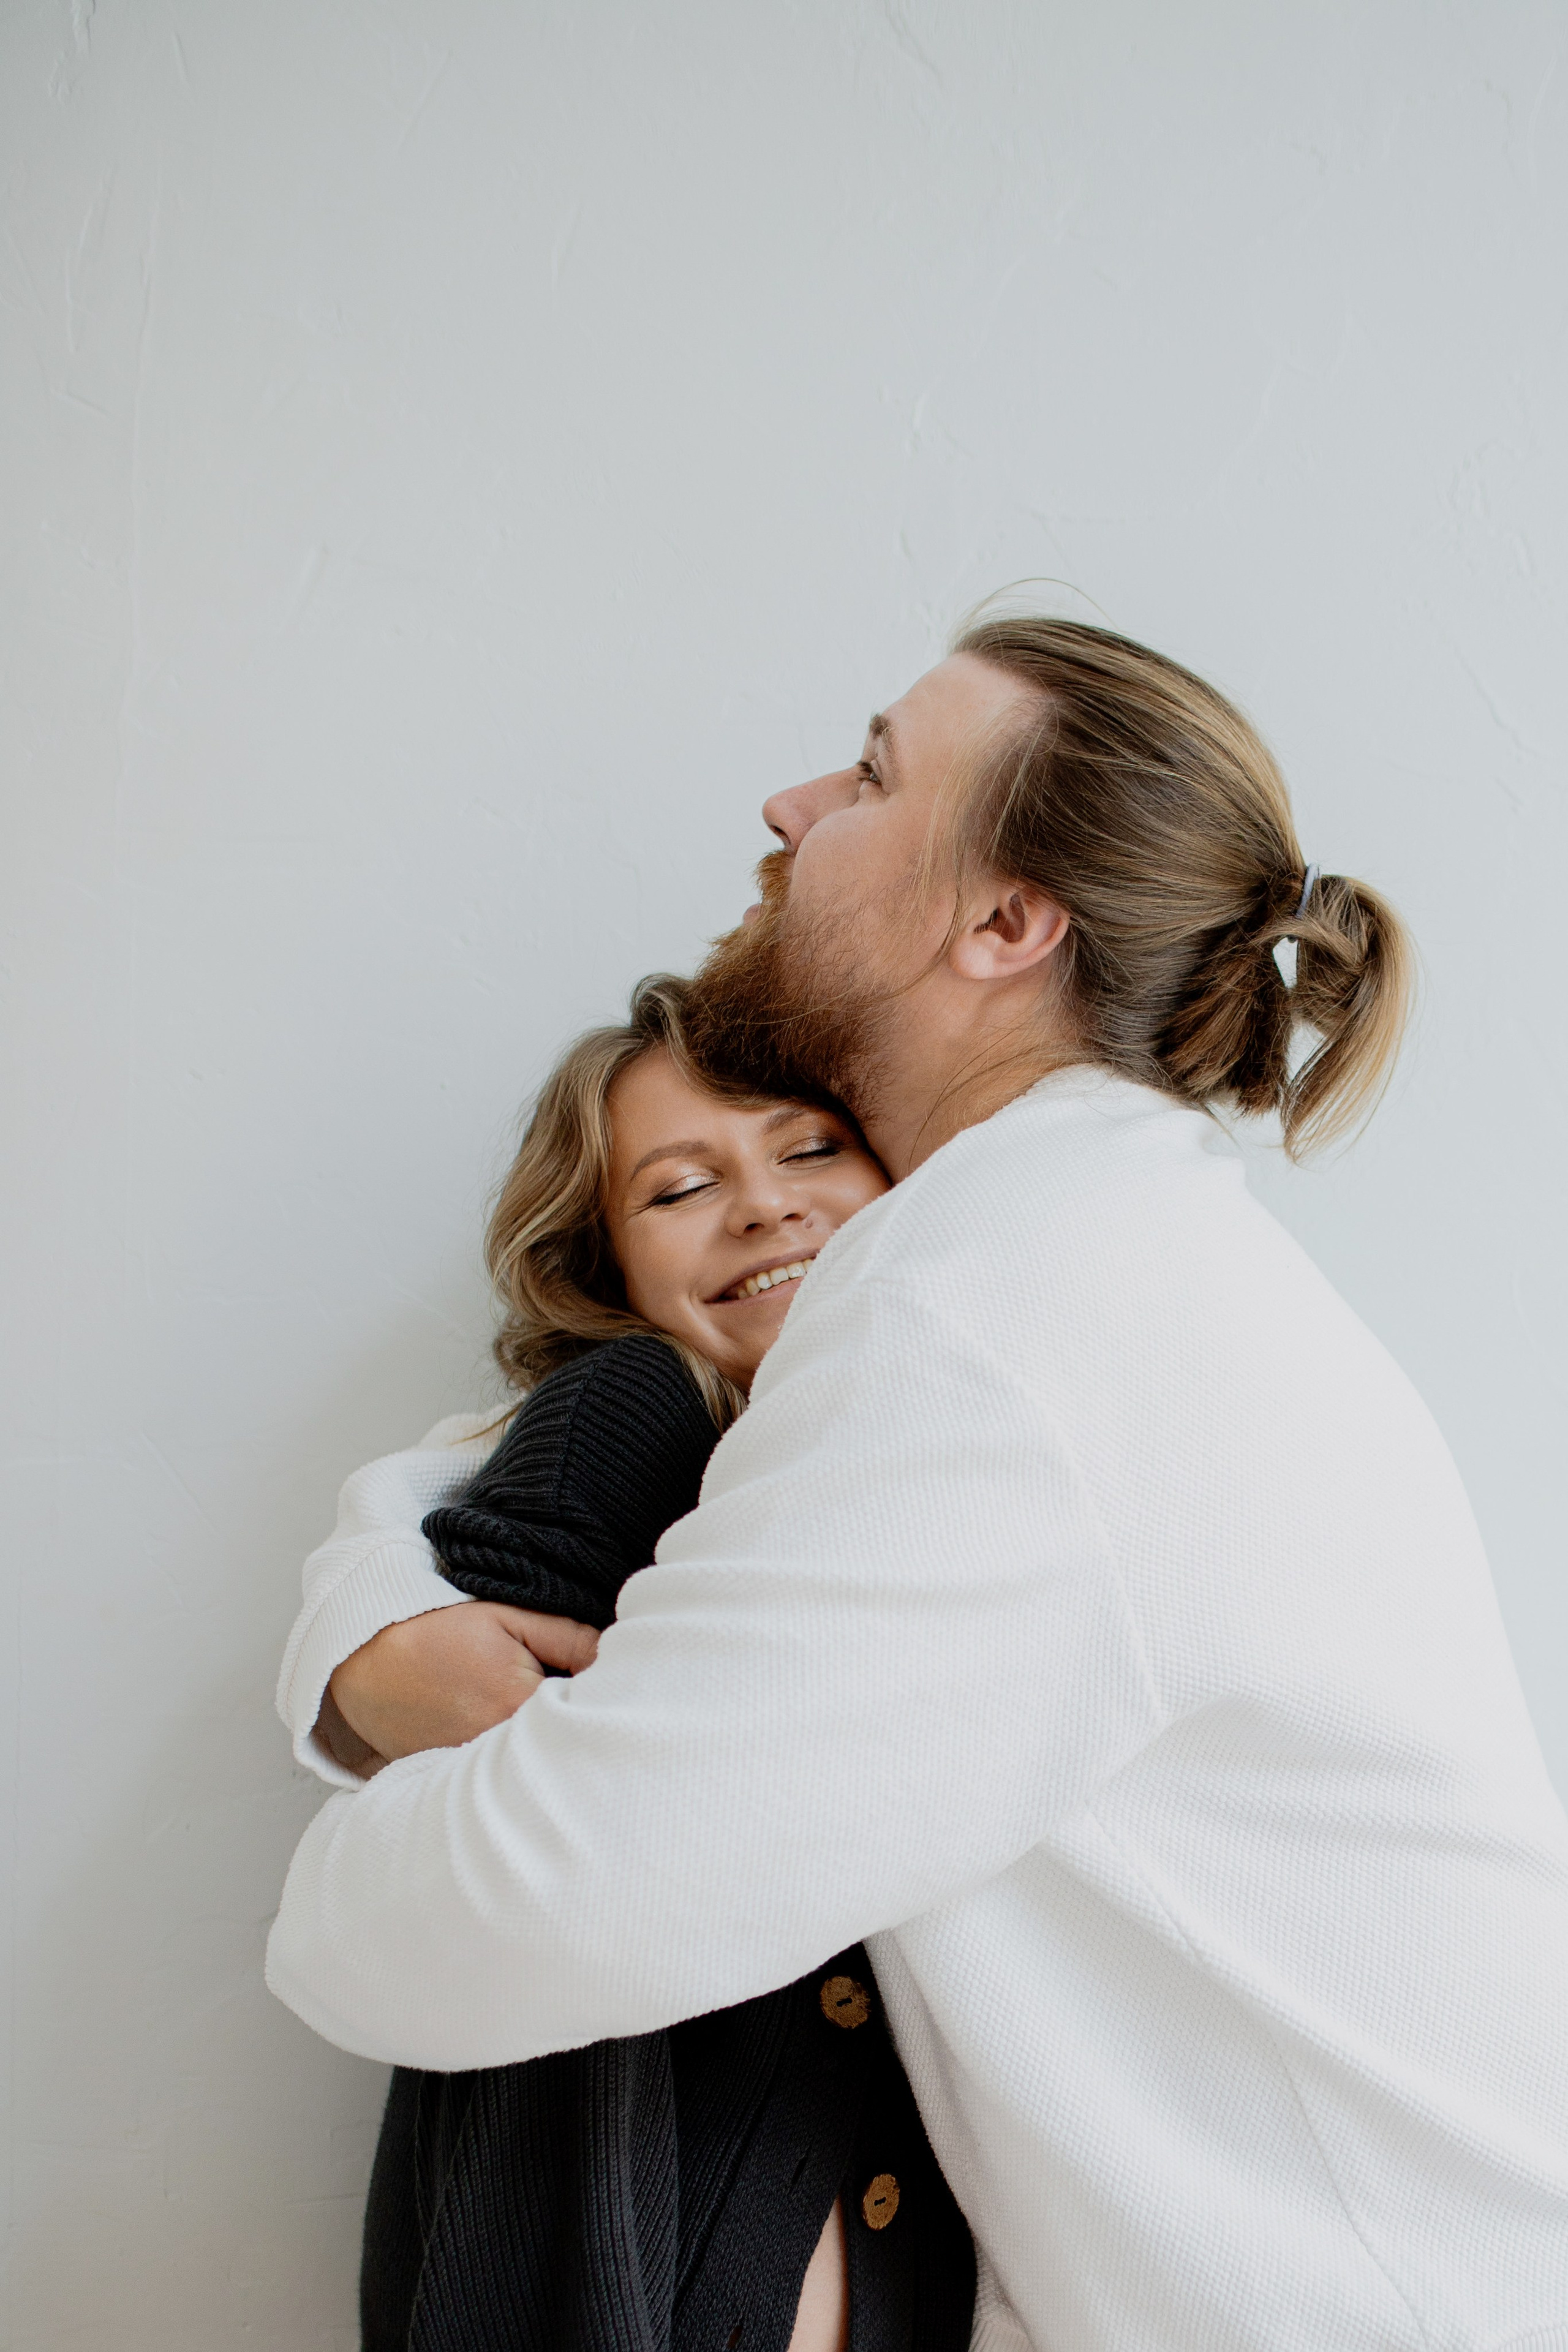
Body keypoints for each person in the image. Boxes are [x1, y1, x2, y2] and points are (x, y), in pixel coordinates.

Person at [270, 617, 1568, 2350]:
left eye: (873, 772)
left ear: (1007, 922)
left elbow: (535, 1904)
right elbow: (503, 1474)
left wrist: (349, 1867)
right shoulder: (1094, 1257)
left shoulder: (998, 1314)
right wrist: (370, 1624)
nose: (794, 804)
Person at [302, 976, 976, 2352]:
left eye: (807, 1149)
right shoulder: (632, 1407)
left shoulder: (920, 1445)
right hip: (660, 2223)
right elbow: (511, 1865)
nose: (764, 1206)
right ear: (605, 1261)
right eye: (679, 1188)